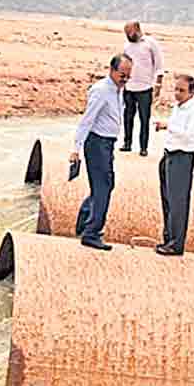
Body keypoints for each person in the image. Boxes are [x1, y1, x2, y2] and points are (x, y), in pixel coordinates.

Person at [71, 54, 131, 251]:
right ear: (112, 70)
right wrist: (75, 149)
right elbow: (86, 120)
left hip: (107, 144)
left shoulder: (118, 89)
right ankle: (91, 233)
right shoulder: (101, 91)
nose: (125, 79)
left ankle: (84, 220)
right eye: (123, 75)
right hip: (97, 144)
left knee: (105, 184)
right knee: (103, 187)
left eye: (128, 76)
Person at [153, 74, 194, 256]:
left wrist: (168, 126)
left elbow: (190, 135)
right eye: (176, 89)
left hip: (182, 157)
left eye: (182, 90)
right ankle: (168, 239)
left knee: (178, 202)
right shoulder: (178, 107)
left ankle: (176, 244)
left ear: (192, 92)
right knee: (167, 199)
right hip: (169, 154)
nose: (177, 93)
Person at [121, 21, 165, 157]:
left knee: (144, 118)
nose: (128, 35)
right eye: (126, 33)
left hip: (145, 88)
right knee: (128, 116)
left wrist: (158, 85)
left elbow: (159, 65)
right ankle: (127, 143)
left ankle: (143, 147)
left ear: (137, 29)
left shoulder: (150, 43)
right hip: (129, 87)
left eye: (129, 32)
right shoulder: (127, 46)